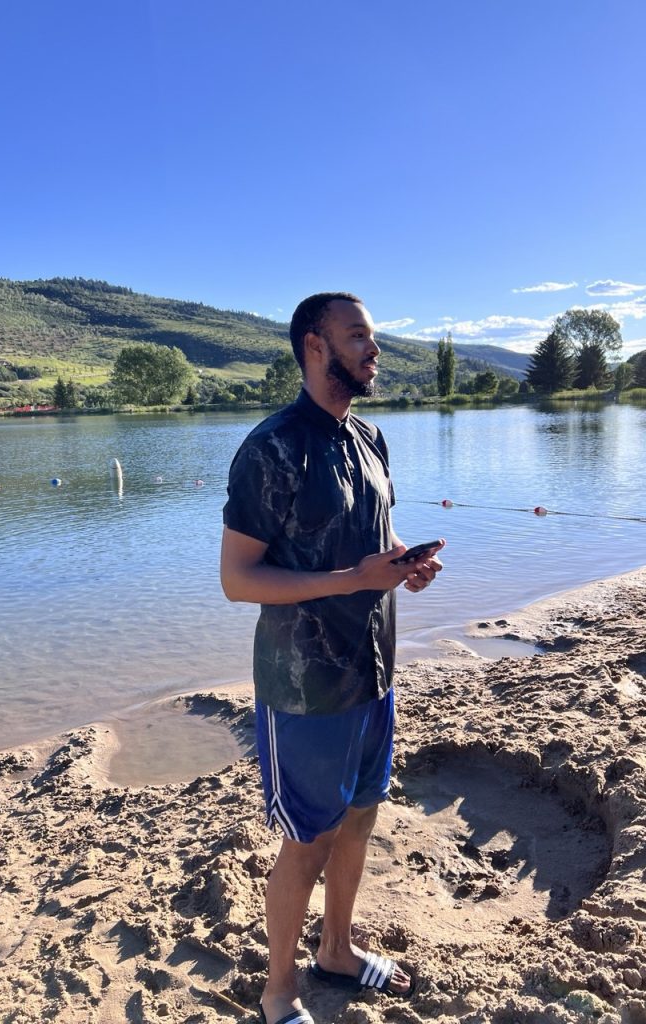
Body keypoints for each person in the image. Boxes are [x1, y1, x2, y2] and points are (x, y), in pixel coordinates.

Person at [220, 292, 444, 1024]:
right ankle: (277, 990)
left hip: (373, 671)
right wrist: (353, 579)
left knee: (360, 819)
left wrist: (402, 564)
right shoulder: (271, 448)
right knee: (306, 842)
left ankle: (337, 952)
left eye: (372, 339)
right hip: (304, 688)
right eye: (359, 338)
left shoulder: (370, 437)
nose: (373, 351)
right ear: (316, 346)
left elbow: (371, 533)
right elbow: (237, 579)